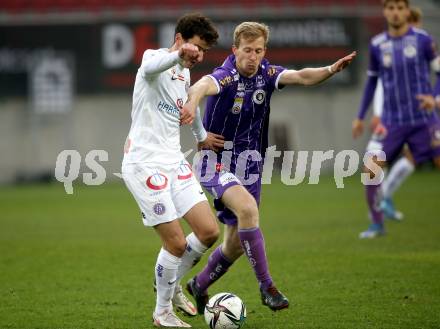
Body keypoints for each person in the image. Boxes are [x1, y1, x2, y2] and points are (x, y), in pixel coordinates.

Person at [179, 21, 356, 314]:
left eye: (258, 51)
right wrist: (194, 103)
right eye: (247, 50)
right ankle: (267, 287)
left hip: (250, 166)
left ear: (264, 51)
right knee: (248, 210)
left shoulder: (267, 74)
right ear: (235, 50)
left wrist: (330, 70)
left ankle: (198, 285)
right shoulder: (226, 75)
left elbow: (300, 76)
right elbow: (201, 86)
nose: (253, 56)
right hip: (216, 162)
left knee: (235, 244)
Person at [121, 13, 225, 328]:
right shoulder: (155, 59)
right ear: (179, 39)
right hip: (144, 163)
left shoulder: (184, 76)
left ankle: (169, 282)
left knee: (209, 231)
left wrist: (201, 137)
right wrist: (178, 55)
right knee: (176, 244)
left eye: (203, 51)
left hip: (174, 161)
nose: (198, 56)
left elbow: (186, 110)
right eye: (195, 48)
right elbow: (152, 66)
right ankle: (162, 312)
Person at [352, 0, 440, 239]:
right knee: (371, 168)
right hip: (391, 121)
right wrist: (360, 116)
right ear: (385, 11)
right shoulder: (377, 45)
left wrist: (434, 97)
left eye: (400, 8)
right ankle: (377, 224)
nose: (396, 12)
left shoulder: (423, 40)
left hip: (424, 119)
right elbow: (372, 81)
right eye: (391, 8)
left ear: (407, 11)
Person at [369, 6, 423, 221]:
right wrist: (378, 112)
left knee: (409, 157)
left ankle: (383, 199)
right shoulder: (388, 48)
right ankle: (381, 201)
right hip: (392, 116)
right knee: (382, 160)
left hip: (413, 114)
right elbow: (381, 82)